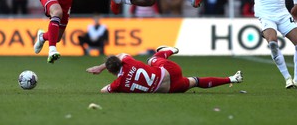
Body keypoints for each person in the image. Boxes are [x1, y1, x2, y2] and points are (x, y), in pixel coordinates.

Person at [86, 46, 243, 93]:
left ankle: (231, 79)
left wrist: (106, 73)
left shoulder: (118, 84)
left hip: (170, 88)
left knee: (195, 81)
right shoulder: (128, 61)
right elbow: (121, 54)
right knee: (152, 59)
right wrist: (101, 67)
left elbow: (103, 91)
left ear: (112, 72)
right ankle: (169, 50)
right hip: (170, 72)